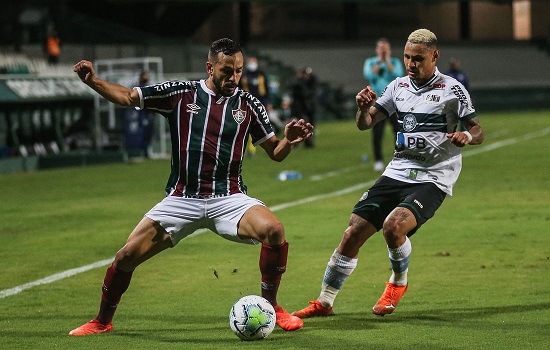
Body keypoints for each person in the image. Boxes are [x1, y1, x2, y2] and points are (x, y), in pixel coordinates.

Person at [69, 38, 312, 336]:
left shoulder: (248, 104)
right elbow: (128, 97)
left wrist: (288, 140)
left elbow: (275, 152)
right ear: (210, 67)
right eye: (226, 71)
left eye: (237, 71)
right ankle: (102, 321)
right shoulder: (181, 93)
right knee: (125, 257)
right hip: (183, 198)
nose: (233, 78)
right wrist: (92, 80)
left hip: (229, 198)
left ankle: (271, 305)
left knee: (274, 230)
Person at [292, 29, 484, 319]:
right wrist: (363, 108)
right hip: (398, 170)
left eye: (418, 58)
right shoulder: (397, 86)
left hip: (433, 175)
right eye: (407, 57)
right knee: (352, 232)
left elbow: (478, 130)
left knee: (393, 227)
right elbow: (365, 124)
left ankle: (398, 282)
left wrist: (467, 137)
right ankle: (325, 302)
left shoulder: (452, 89)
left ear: (435, 56)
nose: (410, 63)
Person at [363, 38, 404, 172]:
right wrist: (380, 61)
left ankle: (398, 157)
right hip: (378, 103)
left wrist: (386, 61)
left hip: (394, 102)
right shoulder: (370, 62)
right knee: (377, 133)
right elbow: (369, 75)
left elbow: (398, 75)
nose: (383, 51)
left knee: (398, 131)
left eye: (385, 49)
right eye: (381, 48)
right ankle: (378, 160)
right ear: (377, 50)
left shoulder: (394, 62)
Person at [290, 66, 318, 148]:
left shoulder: (311, 82)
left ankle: (306, 143)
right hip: (300, 108)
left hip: (309, 107)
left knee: (310, 125)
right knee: (302, 125)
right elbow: (302, 93)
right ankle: (299, 142)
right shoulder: (298, 83)